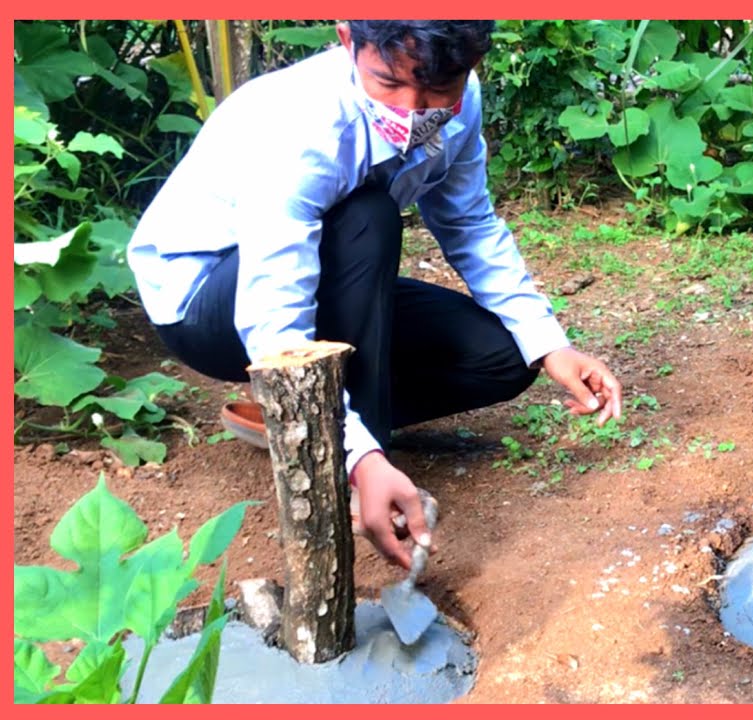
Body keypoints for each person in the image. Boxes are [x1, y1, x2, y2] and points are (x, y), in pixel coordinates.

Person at [126, 20, 623, 570]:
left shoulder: (460, 100)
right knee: (367, 217)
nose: (413, 111)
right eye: (389, 84)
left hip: (323, 272)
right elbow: (274, 313)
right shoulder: (301, 124)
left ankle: (295, 419)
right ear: (347, 42)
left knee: (504, 356)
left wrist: (551, 345)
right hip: (206, 299)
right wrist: (360, 456)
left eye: (436, 90)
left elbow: (469, 223)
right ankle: (349, 457)